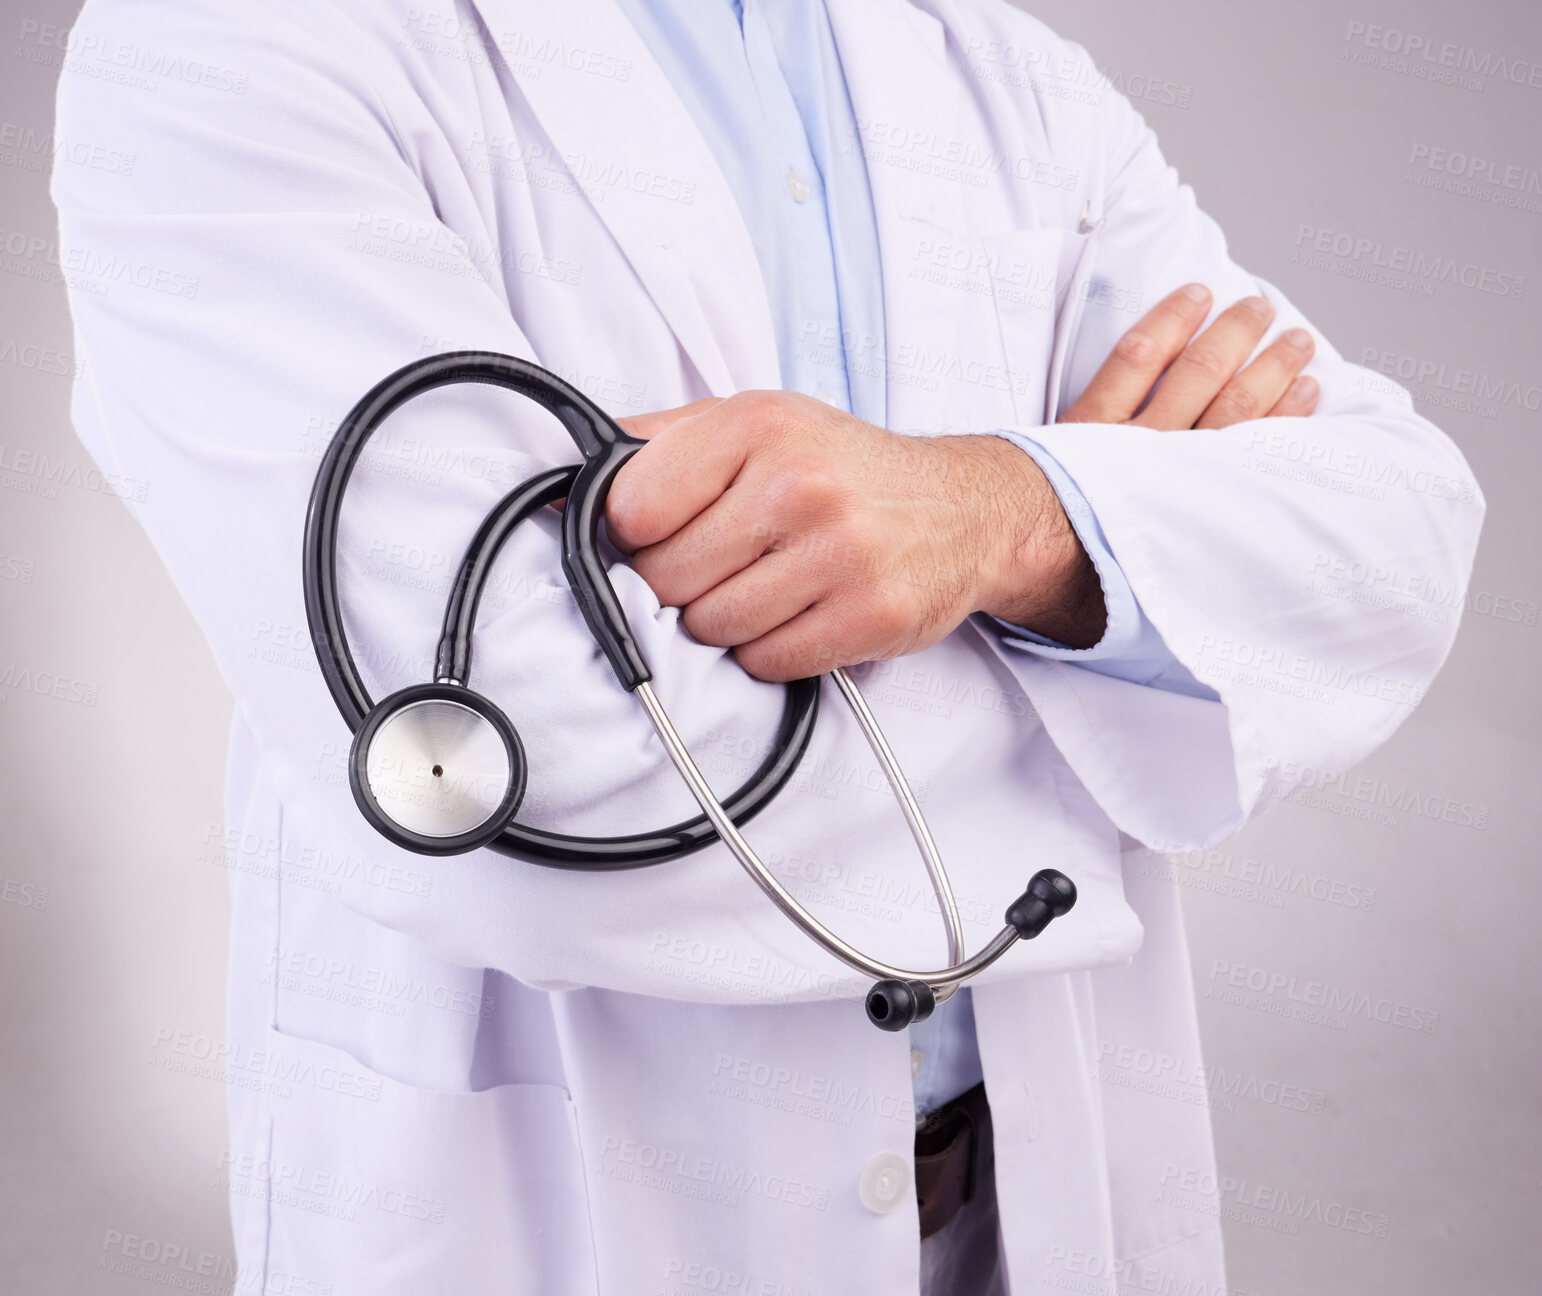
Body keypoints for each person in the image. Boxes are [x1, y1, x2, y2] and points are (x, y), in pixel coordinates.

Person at [51, 0, 1483, 1293]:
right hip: (567, 1226)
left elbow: (1398, 545)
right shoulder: (237, 47)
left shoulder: (1007, 74)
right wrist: (1116, 583)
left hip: (1028, 1203)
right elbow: (537, 793)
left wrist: (1000, 516)